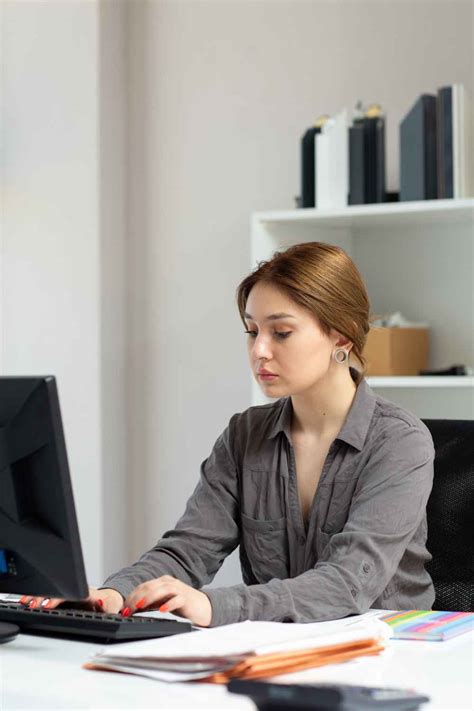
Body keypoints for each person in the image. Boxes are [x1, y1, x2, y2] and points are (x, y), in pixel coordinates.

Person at [22, 242, 435, 627]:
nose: (259, 351)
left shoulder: (400, 442)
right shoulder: (245, 435)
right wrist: (113, 594)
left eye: (281, 332)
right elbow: (189, 550)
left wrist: (212, 605)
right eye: (252, 331)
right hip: (279, 648)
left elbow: (346, 583)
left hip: (394, 652)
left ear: (341, 335)